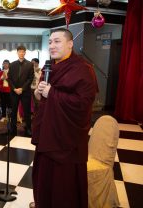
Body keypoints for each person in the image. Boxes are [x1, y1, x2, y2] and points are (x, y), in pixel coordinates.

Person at [31, 28, 98, 208]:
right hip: (47, 134)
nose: (52, 46)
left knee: (64, 186)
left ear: (70, 44)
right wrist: (38, 94)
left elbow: (83, 105)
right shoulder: (49, 67)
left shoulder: (83, 69)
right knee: (44, 178)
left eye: (57, 41)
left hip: (67, 140)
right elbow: (42, 100)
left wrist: (52, 93)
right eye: (50, 42)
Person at [7, 45, 34, 136]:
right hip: (14, 91)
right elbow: (9, 78)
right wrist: (14, 89)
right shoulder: (12, 64)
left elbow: (30, 79)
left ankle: (28, 128)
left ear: (25, 52)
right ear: (17, 52)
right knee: (13, 111)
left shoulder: (30, 64)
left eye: (23, 52)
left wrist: (22, 88)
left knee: (27, 111)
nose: (21, 53)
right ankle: (13, 127)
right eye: (20, 51)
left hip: (25, 91)